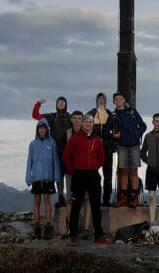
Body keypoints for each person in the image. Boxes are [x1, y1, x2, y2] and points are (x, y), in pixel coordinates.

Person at [62, 114, 111, 247]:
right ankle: (73, 236)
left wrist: (94, 168)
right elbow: (66, 157)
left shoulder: (97, 140)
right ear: (82, 124)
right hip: (78, 175)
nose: (88, 124)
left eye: (90, 122)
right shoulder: (75, 138)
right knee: (76, 205)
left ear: (92, 124)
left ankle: (99, 236)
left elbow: (101, 159)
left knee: (95, 206)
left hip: (93, 175)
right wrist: (74, 171)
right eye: (86, 122)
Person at [104, 91, 146, 207]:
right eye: (116, 99)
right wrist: (114, 136)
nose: (118, 100)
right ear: (113, 101)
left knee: (134, 171)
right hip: (121, 146)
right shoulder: (113, 116)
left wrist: (136, 135)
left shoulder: (132, 112)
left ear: (124, 100)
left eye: (120, 98)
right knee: (123, 171)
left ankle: (134, 198)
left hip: (134, 146)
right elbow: (105, 131)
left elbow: (143, 126)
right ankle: (123, 198)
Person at [24, 118, 61, 239]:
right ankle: (37, 227)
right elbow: (29, 161)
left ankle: (49, 226)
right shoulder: (32, 144)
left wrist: (56, 176)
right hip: (36, 177)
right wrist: (28, 177)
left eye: (44, 128)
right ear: (37, 130)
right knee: (36, 202)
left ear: (47, 129)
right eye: (40, 128)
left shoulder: (52, 143)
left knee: (47, 202)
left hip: (48, 178)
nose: (42, 130)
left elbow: (55, 160)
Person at [33, 97, 73, 206]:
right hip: (56, 151)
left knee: (69, 175)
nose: (61, 104)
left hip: (69, 152)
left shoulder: (70, 117)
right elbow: (36, 116)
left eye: (63, 102)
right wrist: (38, 104)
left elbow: (81, 123)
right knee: (59, 175)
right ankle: (61, 197)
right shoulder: (52, 117)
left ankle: (69, 197)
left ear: (66, 104)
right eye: (59, 102)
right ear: (56, 104)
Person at [86, 92, 115, 206]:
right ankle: (94, 198)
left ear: (106, 100)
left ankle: (106, 200)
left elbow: (114, 129)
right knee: (93, 175)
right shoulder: (92, 113)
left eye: (103, 98)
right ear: (97, 100)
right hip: (95, 147)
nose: (101, 100)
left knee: (108, 175)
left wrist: (111, 139)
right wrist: (103, 133)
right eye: (99, 98)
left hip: (107, 147)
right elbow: (87, 126)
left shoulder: (109, 114)